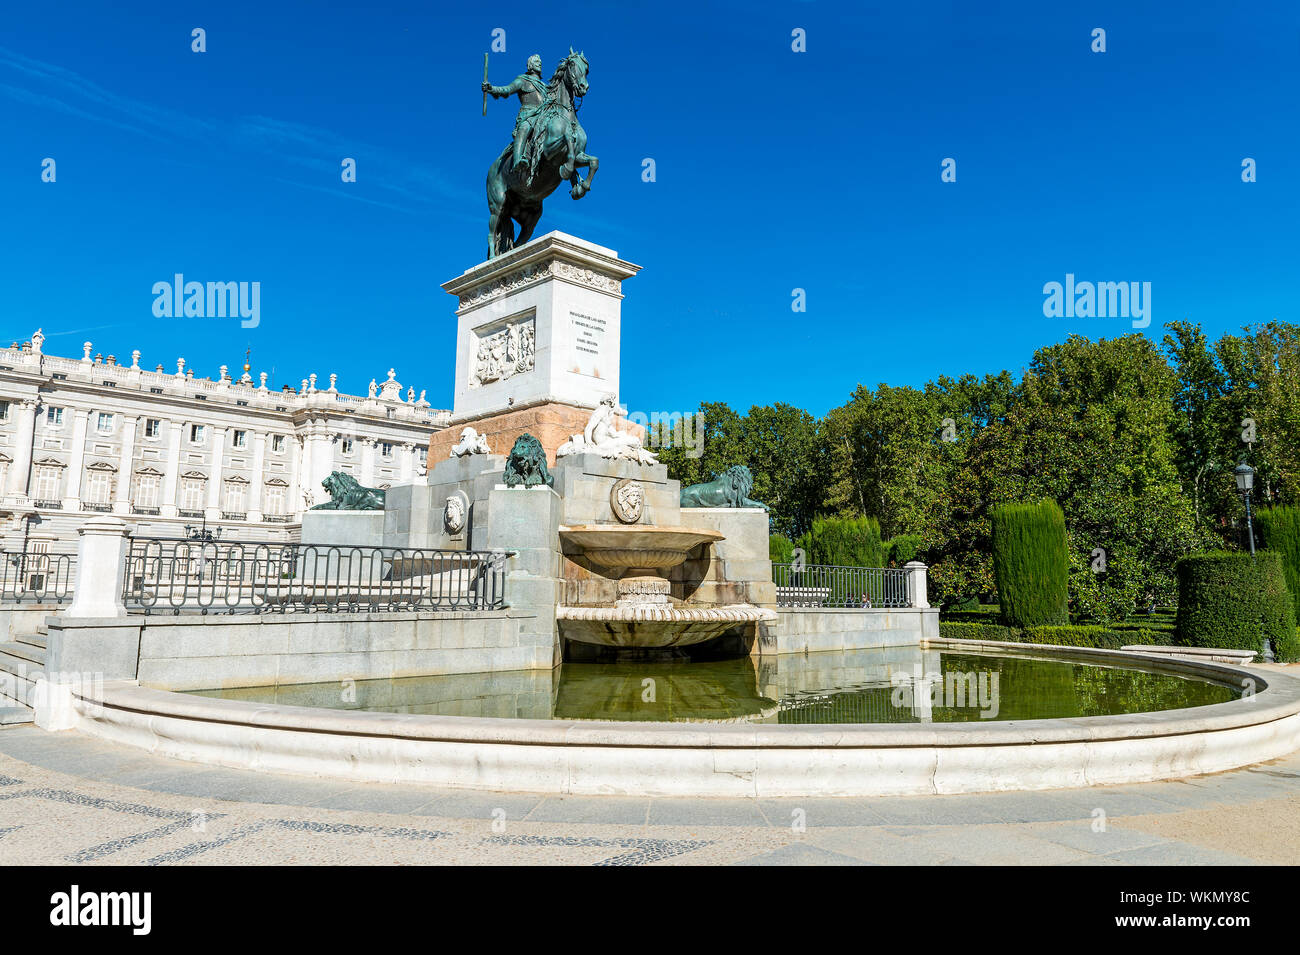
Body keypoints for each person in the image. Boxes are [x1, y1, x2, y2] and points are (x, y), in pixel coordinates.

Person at [483, 54, 550, 175]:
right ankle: (517, 161)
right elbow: (507, 90)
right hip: (528, 114)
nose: (539, 63)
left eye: (540, 62)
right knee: (524, 129)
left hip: (543, 115)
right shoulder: (523, 80)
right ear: (530, 65)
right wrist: (492, 88)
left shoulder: (545, 87)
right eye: (536, 61)